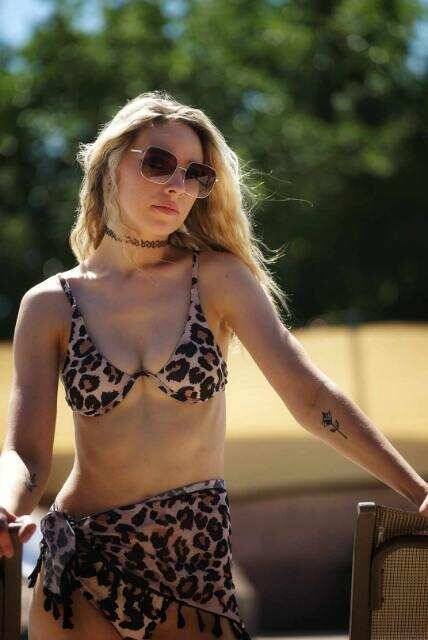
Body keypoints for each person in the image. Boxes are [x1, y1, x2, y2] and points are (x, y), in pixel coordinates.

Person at [0, 90, 427, 640]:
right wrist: (4, 505)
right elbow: (25, 454)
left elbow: (311, 398)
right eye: (158, 163)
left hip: (194, 563)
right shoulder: (50, 304)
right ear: (111, 164)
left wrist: (419, 492)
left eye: (195, 174)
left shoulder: (219, 279)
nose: (177, 185)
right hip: (84, 564)